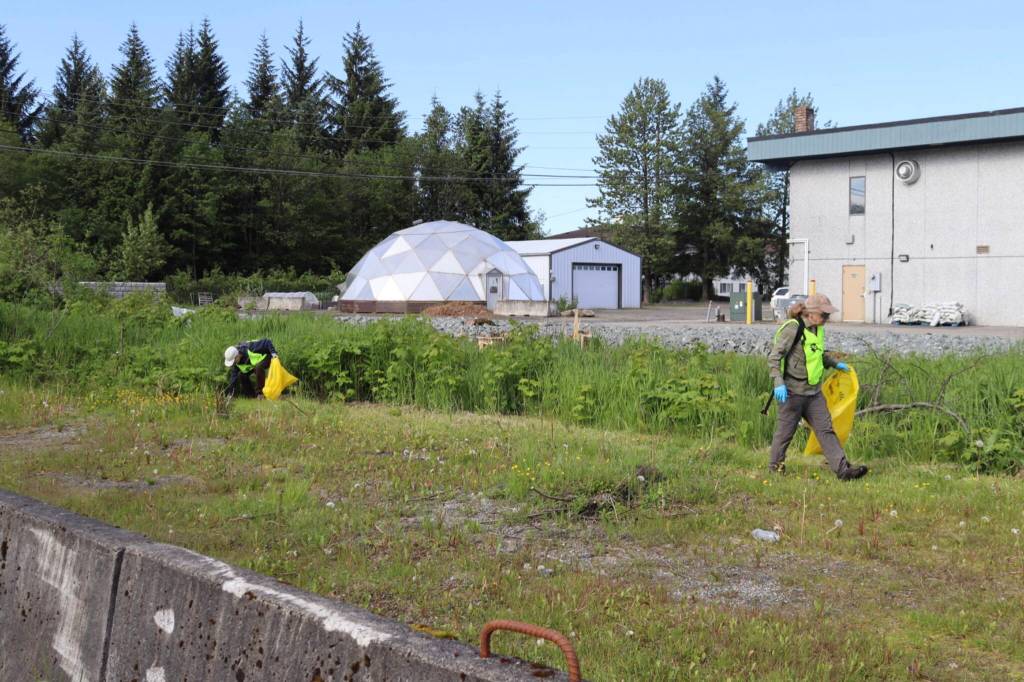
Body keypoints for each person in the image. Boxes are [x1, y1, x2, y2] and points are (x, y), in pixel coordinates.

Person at [767, 293, 868, 480]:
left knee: (825, 430)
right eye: (824, 315)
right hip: (791, 393)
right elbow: (774, 358)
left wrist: (834, 363)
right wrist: (778, 383)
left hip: (813, 393)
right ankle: (775, 469)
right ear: (811, 314)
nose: (827, 319)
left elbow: (817, 355)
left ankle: (843, 470)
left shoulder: (817, 329)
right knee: (785, 434)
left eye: (828, 315)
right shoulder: (793, 329)